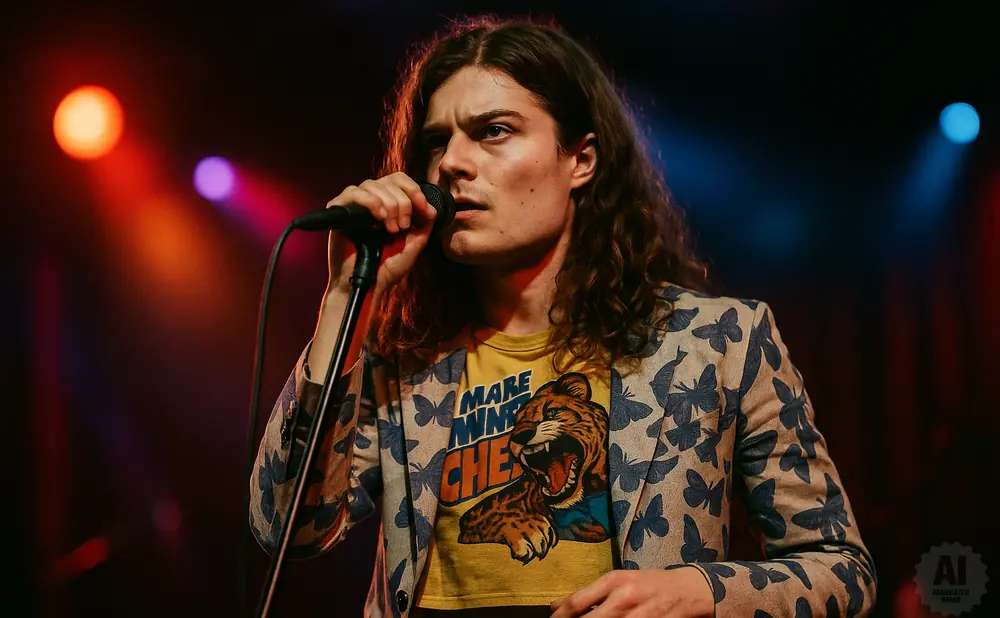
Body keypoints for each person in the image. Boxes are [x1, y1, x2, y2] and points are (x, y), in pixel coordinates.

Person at [250, 15, 877, 618]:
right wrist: (343, 304)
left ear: (580, 159)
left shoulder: (719, 342)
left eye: (493, 130)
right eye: (437, 140)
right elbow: (284, 528)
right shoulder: (401, 362)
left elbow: (841, 570)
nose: (451, 163)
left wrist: (698, 592)